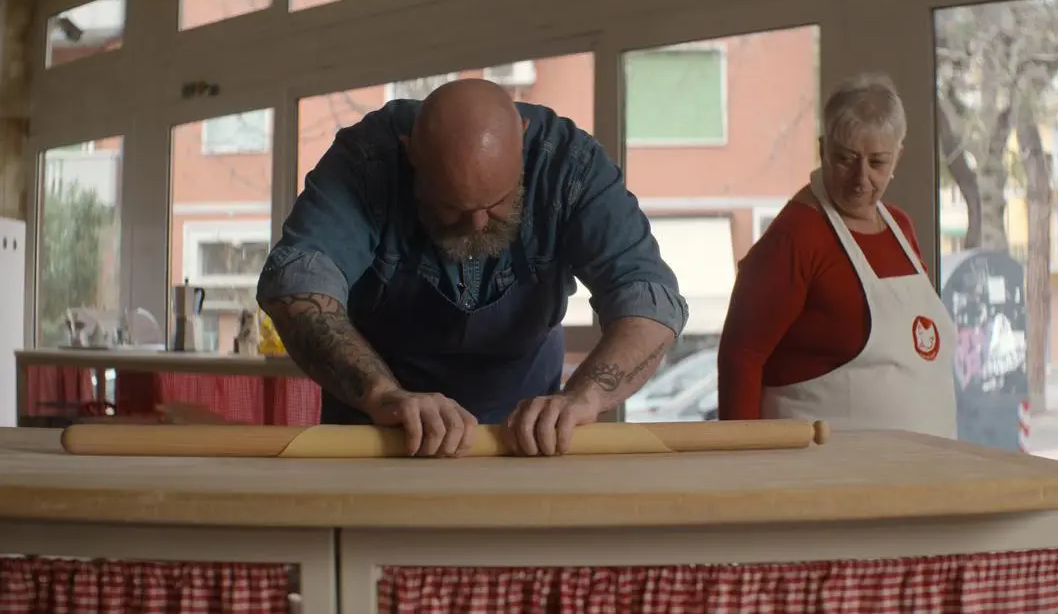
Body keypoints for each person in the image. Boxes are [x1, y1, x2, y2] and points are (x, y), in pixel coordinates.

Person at [257, 79, 687, 457]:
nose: (476, 225)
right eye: (451, 207)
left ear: (522, 140)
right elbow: (297, 286)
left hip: (525, 435)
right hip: (381, 432)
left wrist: (584, 398)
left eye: (496, 203)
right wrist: (384, 395)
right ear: (410, 158)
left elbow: (649, 299)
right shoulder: (367, 161)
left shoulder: (570, 165)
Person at [716, 73, 956, 438]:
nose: (861, 179)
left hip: (918, 477)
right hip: (825, 477)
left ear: (898, 157)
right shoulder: (795, 237)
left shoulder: (901, 228)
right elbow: (741, 358)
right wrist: (745, 464)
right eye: (845, 159)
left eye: (877, 163)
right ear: (822, 148)